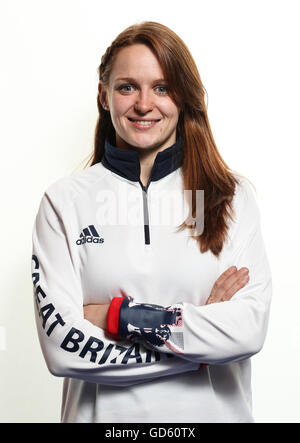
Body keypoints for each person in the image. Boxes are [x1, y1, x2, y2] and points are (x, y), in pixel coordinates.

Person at [31, 21, 272, 423]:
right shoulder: (62, 203)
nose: (145, 104)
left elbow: (246, 331)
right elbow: (63, 349)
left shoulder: (230, 198)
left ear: (183, 98)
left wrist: (117, 317)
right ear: (104, 97)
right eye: (127, 87)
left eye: (162, 87)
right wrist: (196, 350)